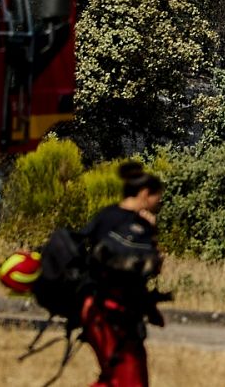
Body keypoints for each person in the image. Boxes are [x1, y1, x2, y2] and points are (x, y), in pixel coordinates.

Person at [78, 161, 165, 387]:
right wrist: (151, 233)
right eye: (158, 197)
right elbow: (151, 267)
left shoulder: (105, 216)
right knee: (129, 379)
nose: (159, 203)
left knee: (118, 376)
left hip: (96, 309)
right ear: (144, 194)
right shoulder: (138, 226)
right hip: (111, 312)